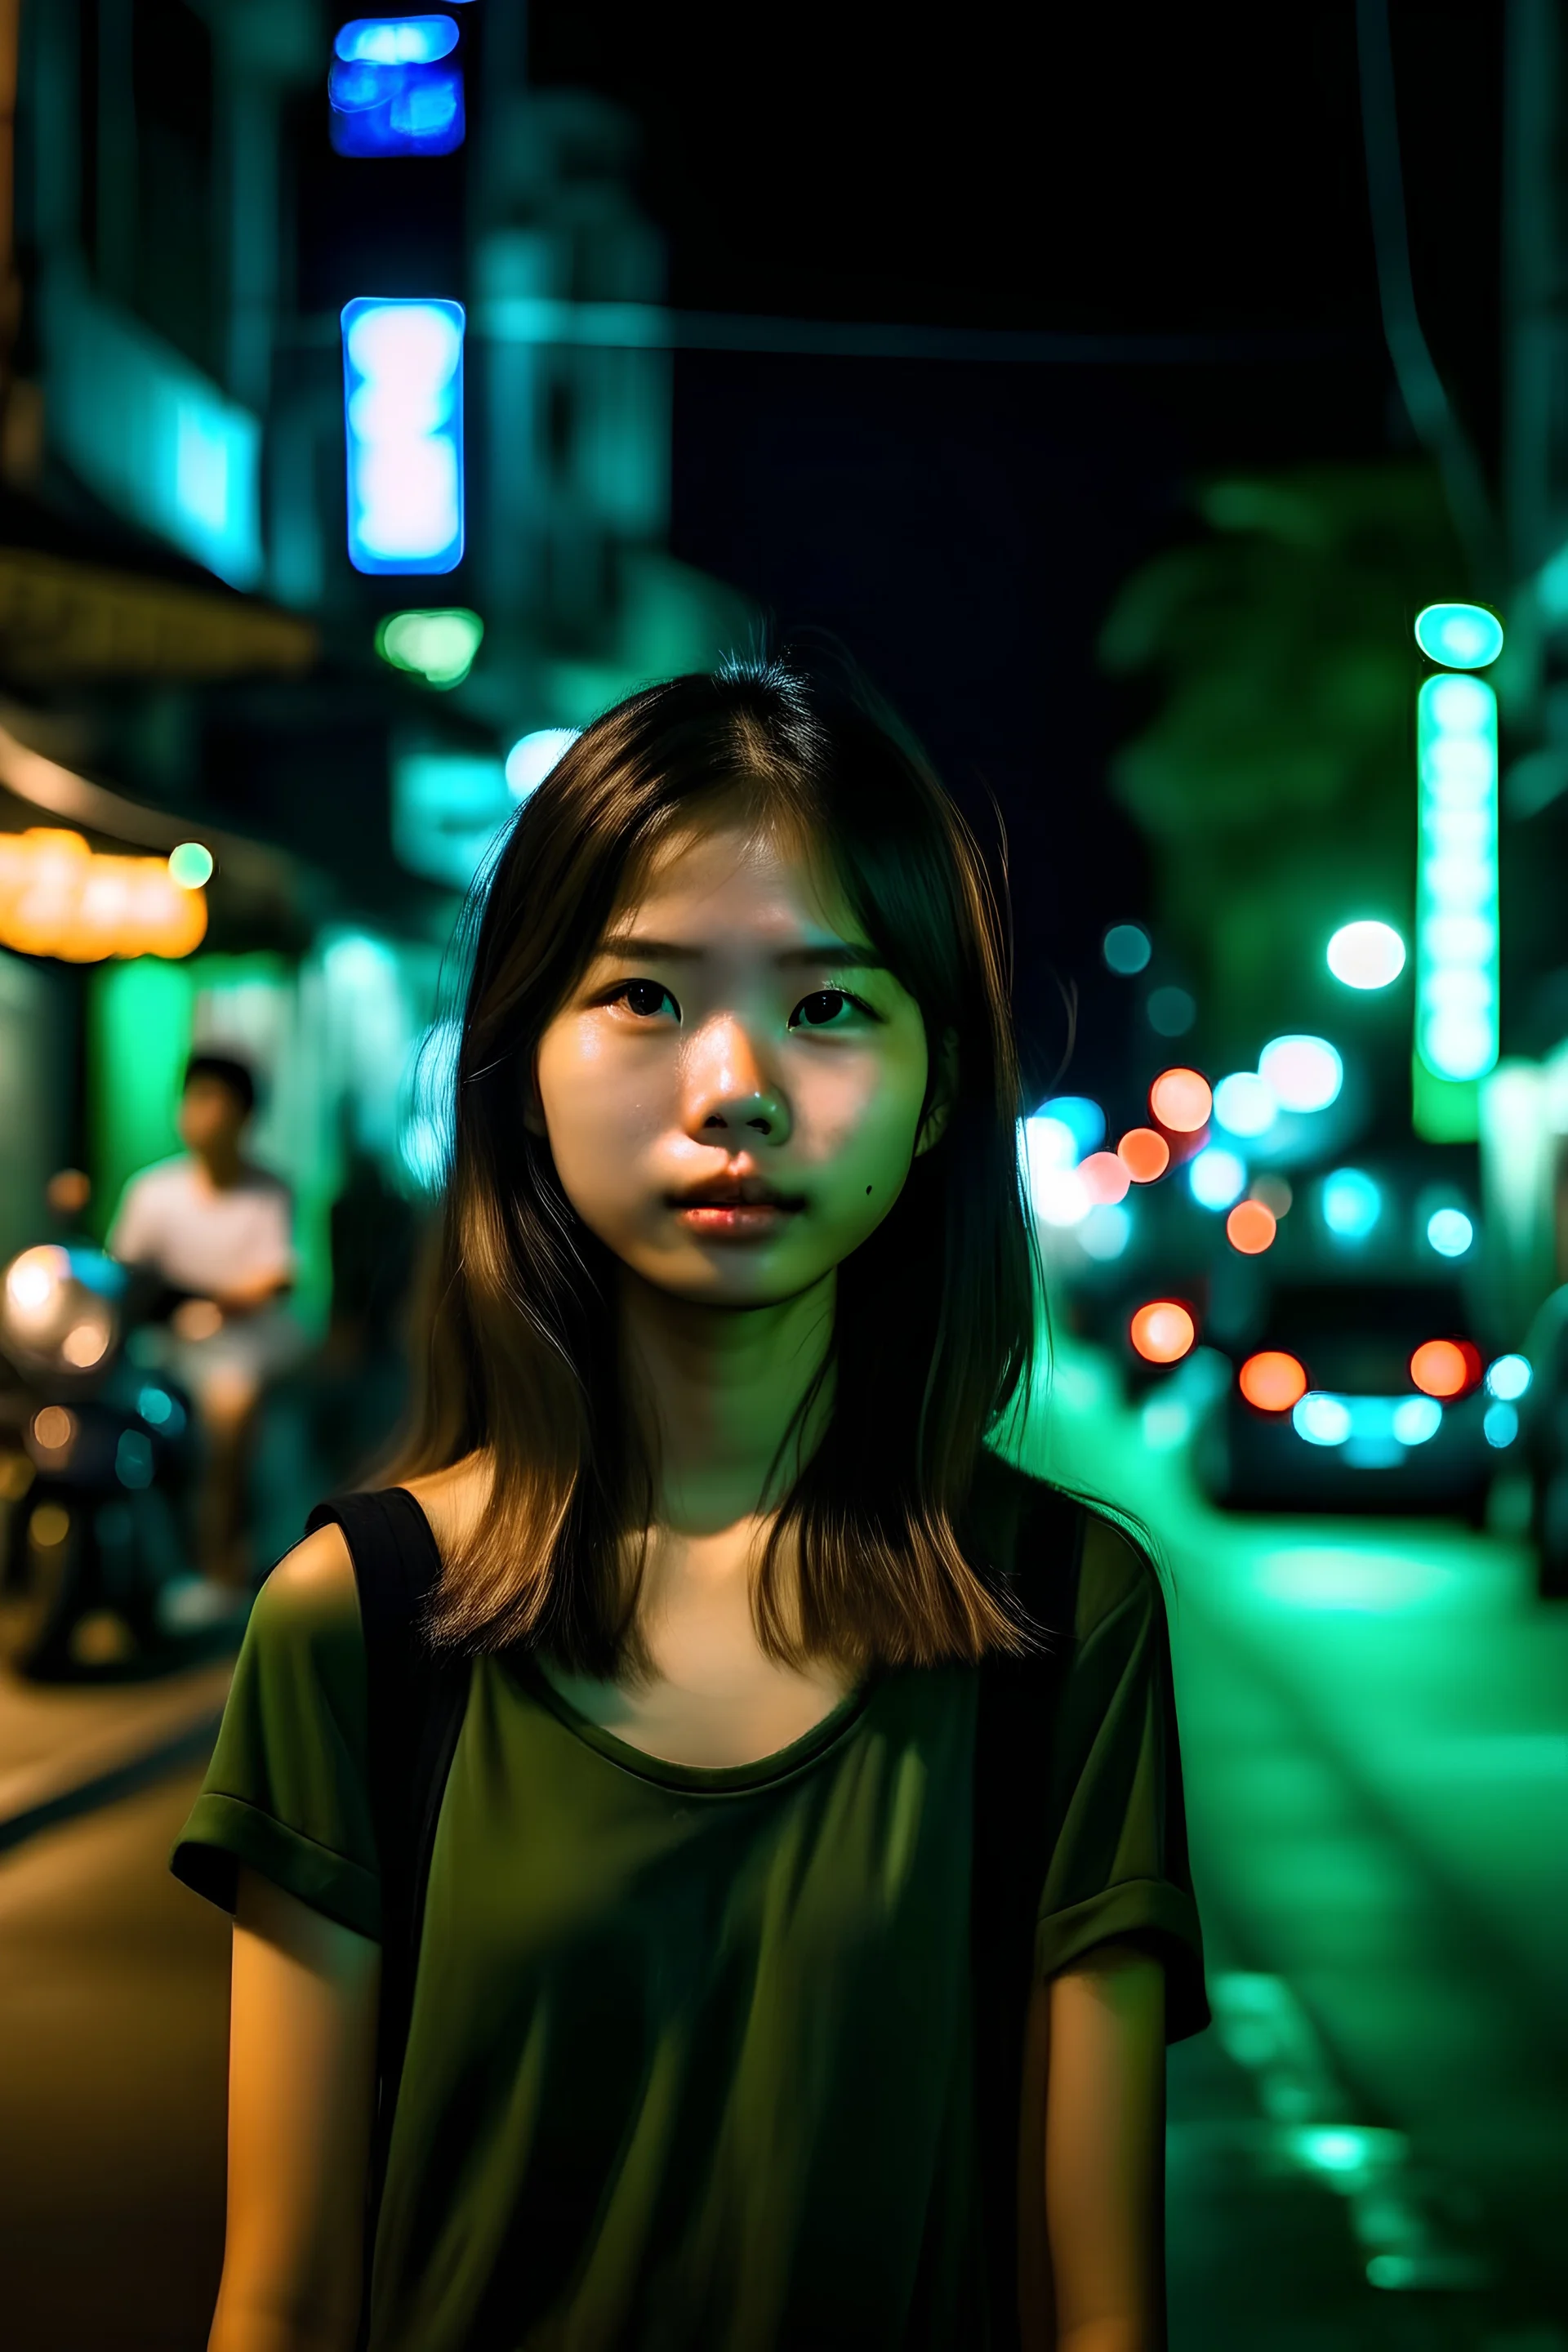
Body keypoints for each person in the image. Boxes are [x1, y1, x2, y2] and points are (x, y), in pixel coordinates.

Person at [171, 657, 1208, 2352]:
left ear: (944, 1086)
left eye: (828, 1006)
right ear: (520, 1057)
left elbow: (1106, 2313)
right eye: (646, 997)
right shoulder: (356, 1623)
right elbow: (278, 2296)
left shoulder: (1062, 1615)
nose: (734, 1085)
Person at [109, 1053, 301, 1587]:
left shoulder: (270, 1191)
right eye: (194, 1098)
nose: (201, 1113)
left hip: (238, 1347)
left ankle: (218, 1557)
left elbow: (275, 1279)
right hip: (164, 1345)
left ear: (246, 1115)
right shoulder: (150, 1191)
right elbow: (125, 1273)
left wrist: (206, 1301)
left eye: (216, 1100)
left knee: (230, 1410)